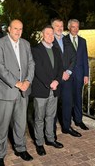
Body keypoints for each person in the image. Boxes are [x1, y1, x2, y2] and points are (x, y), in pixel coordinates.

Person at [0, 19, 35, 166]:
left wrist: (27, 81)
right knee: (2, 125)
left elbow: (31, 64)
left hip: (23, 91)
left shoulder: (26, 44)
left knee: (21, 123)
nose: (18, 31)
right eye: (15, 28)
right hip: (5, 91)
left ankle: (20, 148)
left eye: (20, 29)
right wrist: (17, 83)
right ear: (8, 29)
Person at [31, 25, 64, 156]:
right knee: (39, 118)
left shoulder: (56, 50)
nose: (50, 36)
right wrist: (49, 83)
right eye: (48, 34)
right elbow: (37, 70)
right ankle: (39, 143)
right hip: (41, 90)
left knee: (50, 117)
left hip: (54, 89)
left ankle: (50, 139)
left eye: (52, 34)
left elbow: (61, 68)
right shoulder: (36, 50)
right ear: (42, 35)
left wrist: (57, 81)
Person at [51, 18, 80, 138]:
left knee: (68, 103)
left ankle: (66, 127)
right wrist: (61, 72)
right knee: (53, 107)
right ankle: (51, 131)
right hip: (55, 79)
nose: (59, 28)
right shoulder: (49, 40)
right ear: (52, 27)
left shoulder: (66, 40)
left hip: (67, 79)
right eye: (57, 26)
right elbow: (49, 61)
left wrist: (68, 71)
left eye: (61, 26)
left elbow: (74, 57)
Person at [66, 19, 90, 131]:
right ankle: (66, 122)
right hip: (67, 75)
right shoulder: (64, 40)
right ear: (69, 27)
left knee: (78, 98)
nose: (76, 29)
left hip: (80, 74)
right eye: (73, 27)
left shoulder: (83, 41)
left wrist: (86, 74)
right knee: (67, 99)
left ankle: (79, 120)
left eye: (77, 27)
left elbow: (85, 59)